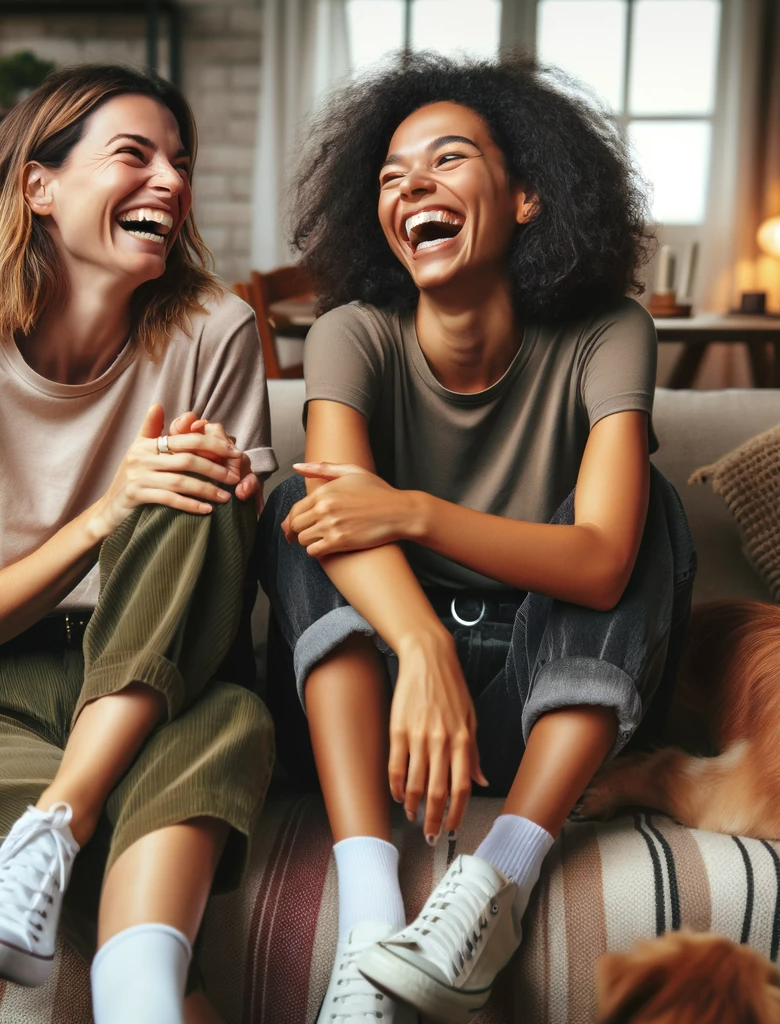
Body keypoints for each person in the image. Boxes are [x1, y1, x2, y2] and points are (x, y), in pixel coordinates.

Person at [258, 53, 696, 1024]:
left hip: (547, 698)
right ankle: (371, 925)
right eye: (389, 176)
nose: (410, 183)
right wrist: (419, 643)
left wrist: (412, 512)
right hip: (381, 714)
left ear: (529, 195)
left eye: (445, 160)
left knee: (651, 510)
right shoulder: (351, 333)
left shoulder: (608, 332)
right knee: (298, 506)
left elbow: (604, 558)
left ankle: (498, 881)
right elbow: (334, 512)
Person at [0, 64, 276, 1024]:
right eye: (135, 154)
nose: (171, 180)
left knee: (197, 485)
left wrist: (159, 492)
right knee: (227, 736)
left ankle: (57, 819)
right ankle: (152, 1001)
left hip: (170, 670)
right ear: (37, 187)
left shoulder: (215, 329)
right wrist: (103, 513)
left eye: (181, 161)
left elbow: (224, 555)